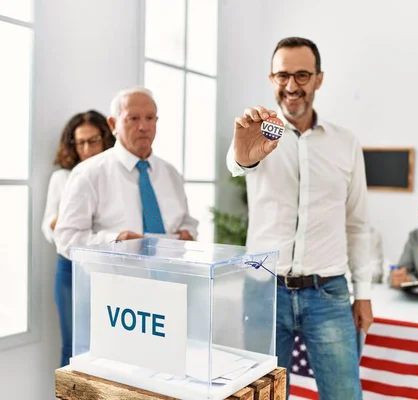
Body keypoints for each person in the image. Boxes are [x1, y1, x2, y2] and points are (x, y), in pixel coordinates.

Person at [226, 37, 373, 400]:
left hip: (329, 292)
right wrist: (244, 152)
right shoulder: (256, 134)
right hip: (263, 291)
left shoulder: (346, 143)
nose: (292, 86)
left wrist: (364, 293)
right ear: (271, 78)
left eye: (302, 75)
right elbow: (238, 163)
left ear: (319, 79)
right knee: (264, 397)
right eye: (282, 76)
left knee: (344, 395)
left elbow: (357, 223)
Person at [54, 85, 198, 259]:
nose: (144, 126)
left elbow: (186, 221)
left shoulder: (171, 173)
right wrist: (116, 241)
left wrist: (187, 234)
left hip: (172, 280)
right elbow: (66, 238)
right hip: (115, 282)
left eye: (150, 118)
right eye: (134, 118)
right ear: (113, 124)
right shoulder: (88, 173)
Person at [42, 110, 115, 367]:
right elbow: (49, 222)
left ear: (106, 138)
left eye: (93, 140)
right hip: (71, 269)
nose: (87, 148)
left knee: (109, 344)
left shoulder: (114, 175)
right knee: (74, 346)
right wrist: (67, 221)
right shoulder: (62, 178)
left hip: (108, 268)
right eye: (80, 142)